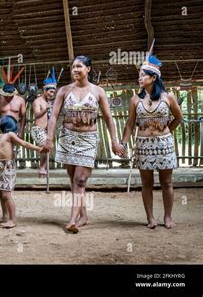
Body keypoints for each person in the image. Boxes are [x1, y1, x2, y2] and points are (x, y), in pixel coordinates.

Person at [44, 56, 124, 233]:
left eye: (79, 66)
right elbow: (54, 116)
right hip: (67, 138)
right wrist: (49, 138)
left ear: (88, 69)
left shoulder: (98, 91)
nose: (75, 70)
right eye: (73, 67)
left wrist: (114, 141)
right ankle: (84, 215)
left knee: (80, 180)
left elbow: (109, 118)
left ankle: (72, 220)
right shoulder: (64, 91)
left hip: (88, 140)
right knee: (75, 182)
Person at [119, 55, 183, 229]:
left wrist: (166, 130)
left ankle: (168, 217)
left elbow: (178, 118)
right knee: (147, 183)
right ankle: (150, 218)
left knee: (167, 182)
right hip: (143, 145)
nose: (139, 78)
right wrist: (123, 144)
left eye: (143, 75)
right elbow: (130, 124)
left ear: (154, 77)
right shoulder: (135, 100)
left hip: (164, 145)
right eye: (139, 75)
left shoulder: (168, 97)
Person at [0, 115, 44, 228]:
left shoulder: (10, 135)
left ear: (4, 124)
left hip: (6, 167)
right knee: (1, 193)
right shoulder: (0, 138)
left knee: (6, 194)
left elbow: (24, 143)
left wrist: (38, 149)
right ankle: (5, 216)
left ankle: (13, 219)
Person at [32, 67, 57, 177]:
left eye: (53, 92)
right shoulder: (37, 101)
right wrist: (45, 109)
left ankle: (43, 169)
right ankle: (42, 168)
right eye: (50, 92)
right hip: (37, 130)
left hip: (46, 131)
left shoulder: (49, 103)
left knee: (48, 148)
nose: (52, 94)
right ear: (44, 90)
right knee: (46, 147)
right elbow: (36, 115)